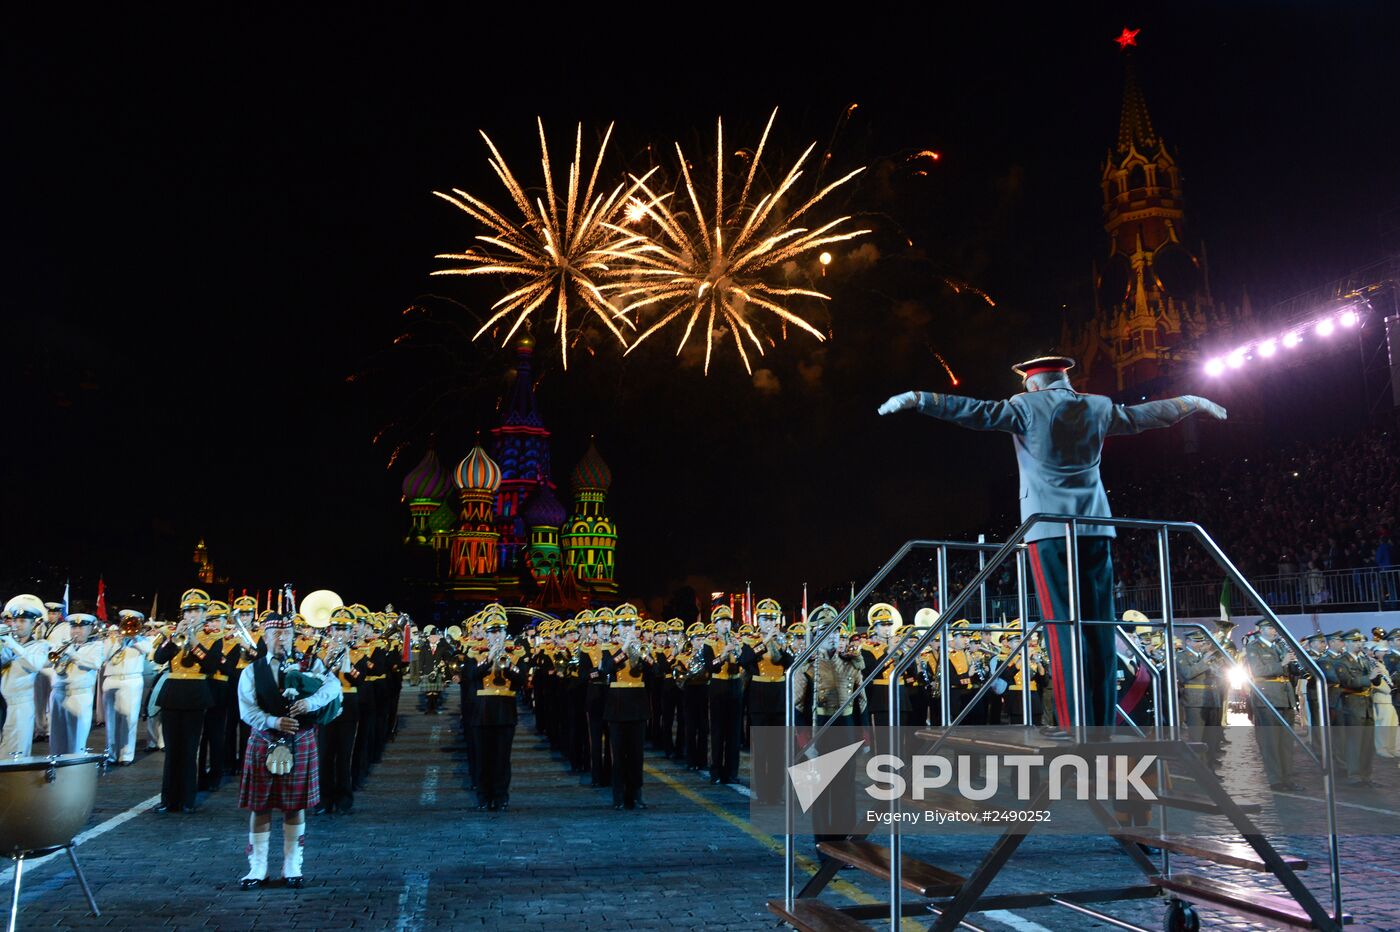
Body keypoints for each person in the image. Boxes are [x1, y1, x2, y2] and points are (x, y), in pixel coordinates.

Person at [879, 355, 1227, 727]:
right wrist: (1191, 402)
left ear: (1033, 383)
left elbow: (972, 411)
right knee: (1100, 627)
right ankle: (1102, 722)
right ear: (1063, 379)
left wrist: (919, 398)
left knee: (1063, 628)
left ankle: (1075, 723)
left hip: (1048, 528)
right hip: (1096, 524)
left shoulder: (1024, 407)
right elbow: (1147, 417)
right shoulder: (1098, 405)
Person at [236, 611, 340, 890]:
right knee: (260, 807)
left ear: (295, 636)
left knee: (295, 806)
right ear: (265, 637)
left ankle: (293, 865)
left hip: (300, 739)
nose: (282, 638)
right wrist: (273, 721)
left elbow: (333, 687)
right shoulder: (252, 670)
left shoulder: (311, 662)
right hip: (264, 739)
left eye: (287, 633)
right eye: (276, 633)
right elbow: (247, 710)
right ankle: (257, 868)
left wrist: (310, 704)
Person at [152, 588, 223, 814]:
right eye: (188, 611)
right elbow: (159, 657)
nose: (191, 616)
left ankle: (187, 799)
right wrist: (174, 639)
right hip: (172, 694)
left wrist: (193, 642)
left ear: (204, 614)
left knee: (190, 749)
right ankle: (168, 799)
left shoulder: (213, 637)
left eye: (196, 611)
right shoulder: (171, 634)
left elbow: (211, 665)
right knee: (172, 750)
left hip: (195, 695)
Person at [469, 612, 525, 811]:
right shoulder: (475, 653)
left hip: (505, 712)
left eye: (499, 631)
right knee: (483, 758)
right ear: (486, 634)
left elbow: (522, 680)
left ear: (505, 632)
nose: (496, 636)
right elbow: (470, 676)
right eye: (492, 632)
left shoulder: (515, 655)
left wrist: (507, 663)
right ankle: (484, 797)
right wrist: (489, 658)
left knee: (502, 758)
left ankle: (501, 796)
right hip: (482, 713)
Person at [602, 605, 652, 810]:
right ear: (618, 627)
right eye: (624, 625)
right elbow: (606, 668)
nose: (628, 629)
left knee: (636, 755)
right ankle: (619, 796)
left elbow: (655, 670)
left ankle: (636, 794)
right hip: (617, 705)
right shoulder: (608, 648)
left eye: (631, 625)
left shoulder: (643, 648)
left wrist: (643, 655)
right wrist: (624, 649)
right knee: (619, 754)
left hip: (638, 705)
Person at [1244, 619, 1301, 791]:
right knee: (1270, 742)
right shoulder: (1253, 647)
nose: (1274, 631)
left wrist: (1295, 662)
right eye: (1270, 627)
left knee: (1285, 743)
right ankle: (1276, 780)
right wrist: (1282, 663)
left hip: (1285, 697)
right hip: (1267, 696)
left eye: (1275, 627)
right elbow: (1258, 671)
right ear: (1261, 630)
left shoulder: (1280, 646)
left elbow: (1293, 672)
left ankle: (1287, 778)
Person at [48, 612, 113, 755]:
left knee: (75, 739)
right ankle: (56, 771)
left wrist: (73, 654)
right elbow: (50, 663)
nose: (76, 631)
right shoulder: (63, 644)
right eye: (73, 628)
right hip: (58, 693)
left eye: (81, 628)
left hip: (78, 696)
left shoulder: (96, 646)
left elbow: (95, 663)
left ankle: (73, 773)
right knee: (56, 739)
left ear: (90, 629)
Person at [703, 605, 753, 784]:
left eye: (728, 621)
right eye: (722, 621)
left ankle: (732, 772)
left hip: (735, 686)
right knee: (718, 732)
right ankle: (715, 772)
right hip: (718, 686)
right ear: (715, 625)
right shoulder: (709, 643)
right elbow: (710, 666)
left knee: (733, 733)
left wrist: (739, 652)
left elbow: (747, 663)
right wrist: (723, 654)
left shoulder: (737, 640)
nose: (726, 625)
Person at [1, 595, 54, 757]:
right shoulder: (8, 644)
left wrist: (12, 644)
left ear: (33, 624)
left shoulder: (40, 645)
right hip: (4, 703)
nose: (17, 625)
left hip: (21, 705)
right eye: (16, 620)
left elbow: (34, 665)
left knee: (15, 752)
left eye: (23, 621)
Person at [103, 610, 155, 765]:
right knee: (111, 720)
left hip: (131, 680)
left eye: (134, 623)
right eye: (126, 622)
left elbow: (148, 650)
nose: (129, 626)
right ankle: (111, 753)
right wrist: (117, 642)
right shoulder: (111, 640)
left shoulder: (143, 640)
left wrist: (133, 639)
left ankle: (126, 754)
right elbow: (105, 657)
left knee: (130, 718)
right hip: (111, 679)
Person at [1335, 629, 1382, 786]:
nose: (1359, 644)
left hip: (1366, 704)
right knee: (1355, 742)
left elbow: (1375, 682)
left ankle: (1366, 775)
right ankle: (1355, 775)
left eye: (1360, 641)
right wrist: (1368, 677)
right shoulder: (1342, 661)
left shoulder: (1364, 659)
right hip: (1353, 704)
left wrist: (1376, 674)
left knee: (1368, 743)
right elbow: (1347, 682)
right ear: (1346, 643)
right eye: (1355, 641)